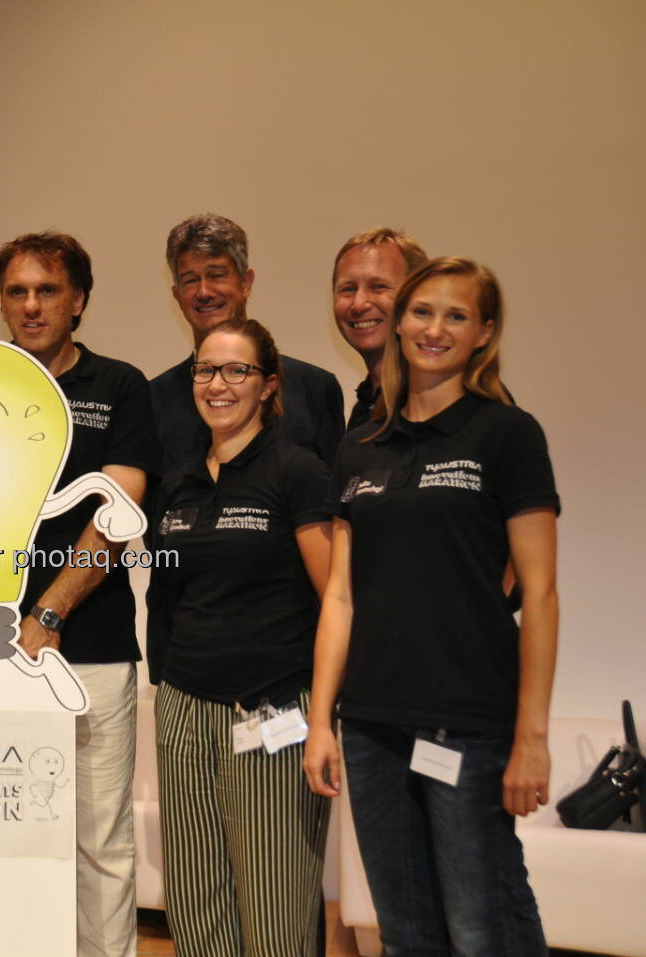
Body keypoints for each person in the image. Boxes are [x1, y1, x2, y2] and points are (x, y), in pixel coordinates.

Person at [302, 257, 559, 954]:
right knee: (406, 929)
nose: (434, 328)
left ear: (484, 332)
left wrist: (531, 737)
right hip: (373, 725)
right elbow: (342, 596)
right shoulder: (361, 447)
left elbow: (538, 592)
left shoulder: (506, 434)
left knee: (484, 927)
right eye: (422, 311)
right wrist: (322, 720)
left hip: (467, 724)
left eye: (456, 315)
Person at [0, 231, 154, 957]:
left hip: (91, 650)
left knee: (98, 840)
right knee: (8, 837)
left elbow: (119, 509)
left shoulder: (119, 386)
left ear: (78, 300)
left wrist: (48, 611)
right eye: (17, 291)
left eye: (47, 290)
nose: (31, 305)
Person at [146, 318, 331, 956]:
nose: (217, 384)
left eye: (236, 371)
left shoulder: (296, 471)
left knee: (276, 908)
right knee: (196, 903)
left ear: (267, 385)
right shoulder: (179, 481)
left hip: (273, 708)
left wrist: (327, 715)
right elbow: (168, 598)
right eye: (205, 370)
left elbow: (336, 597)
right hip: (184, 707)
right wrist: (166, 686)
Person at [150, 213, 344, 475]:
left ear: (246, 283)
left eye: (216, 275)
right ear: (177, 294)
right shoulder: (153, 399)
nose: (204, 292)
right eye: (191, 280)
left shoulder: (316, 389)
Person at [330, 228, 428, 431]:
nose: (359, 304)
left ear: (418, 295)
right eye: (348, 289)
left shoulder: (444, 401)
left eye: (378, 287)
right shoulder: (366, 406)